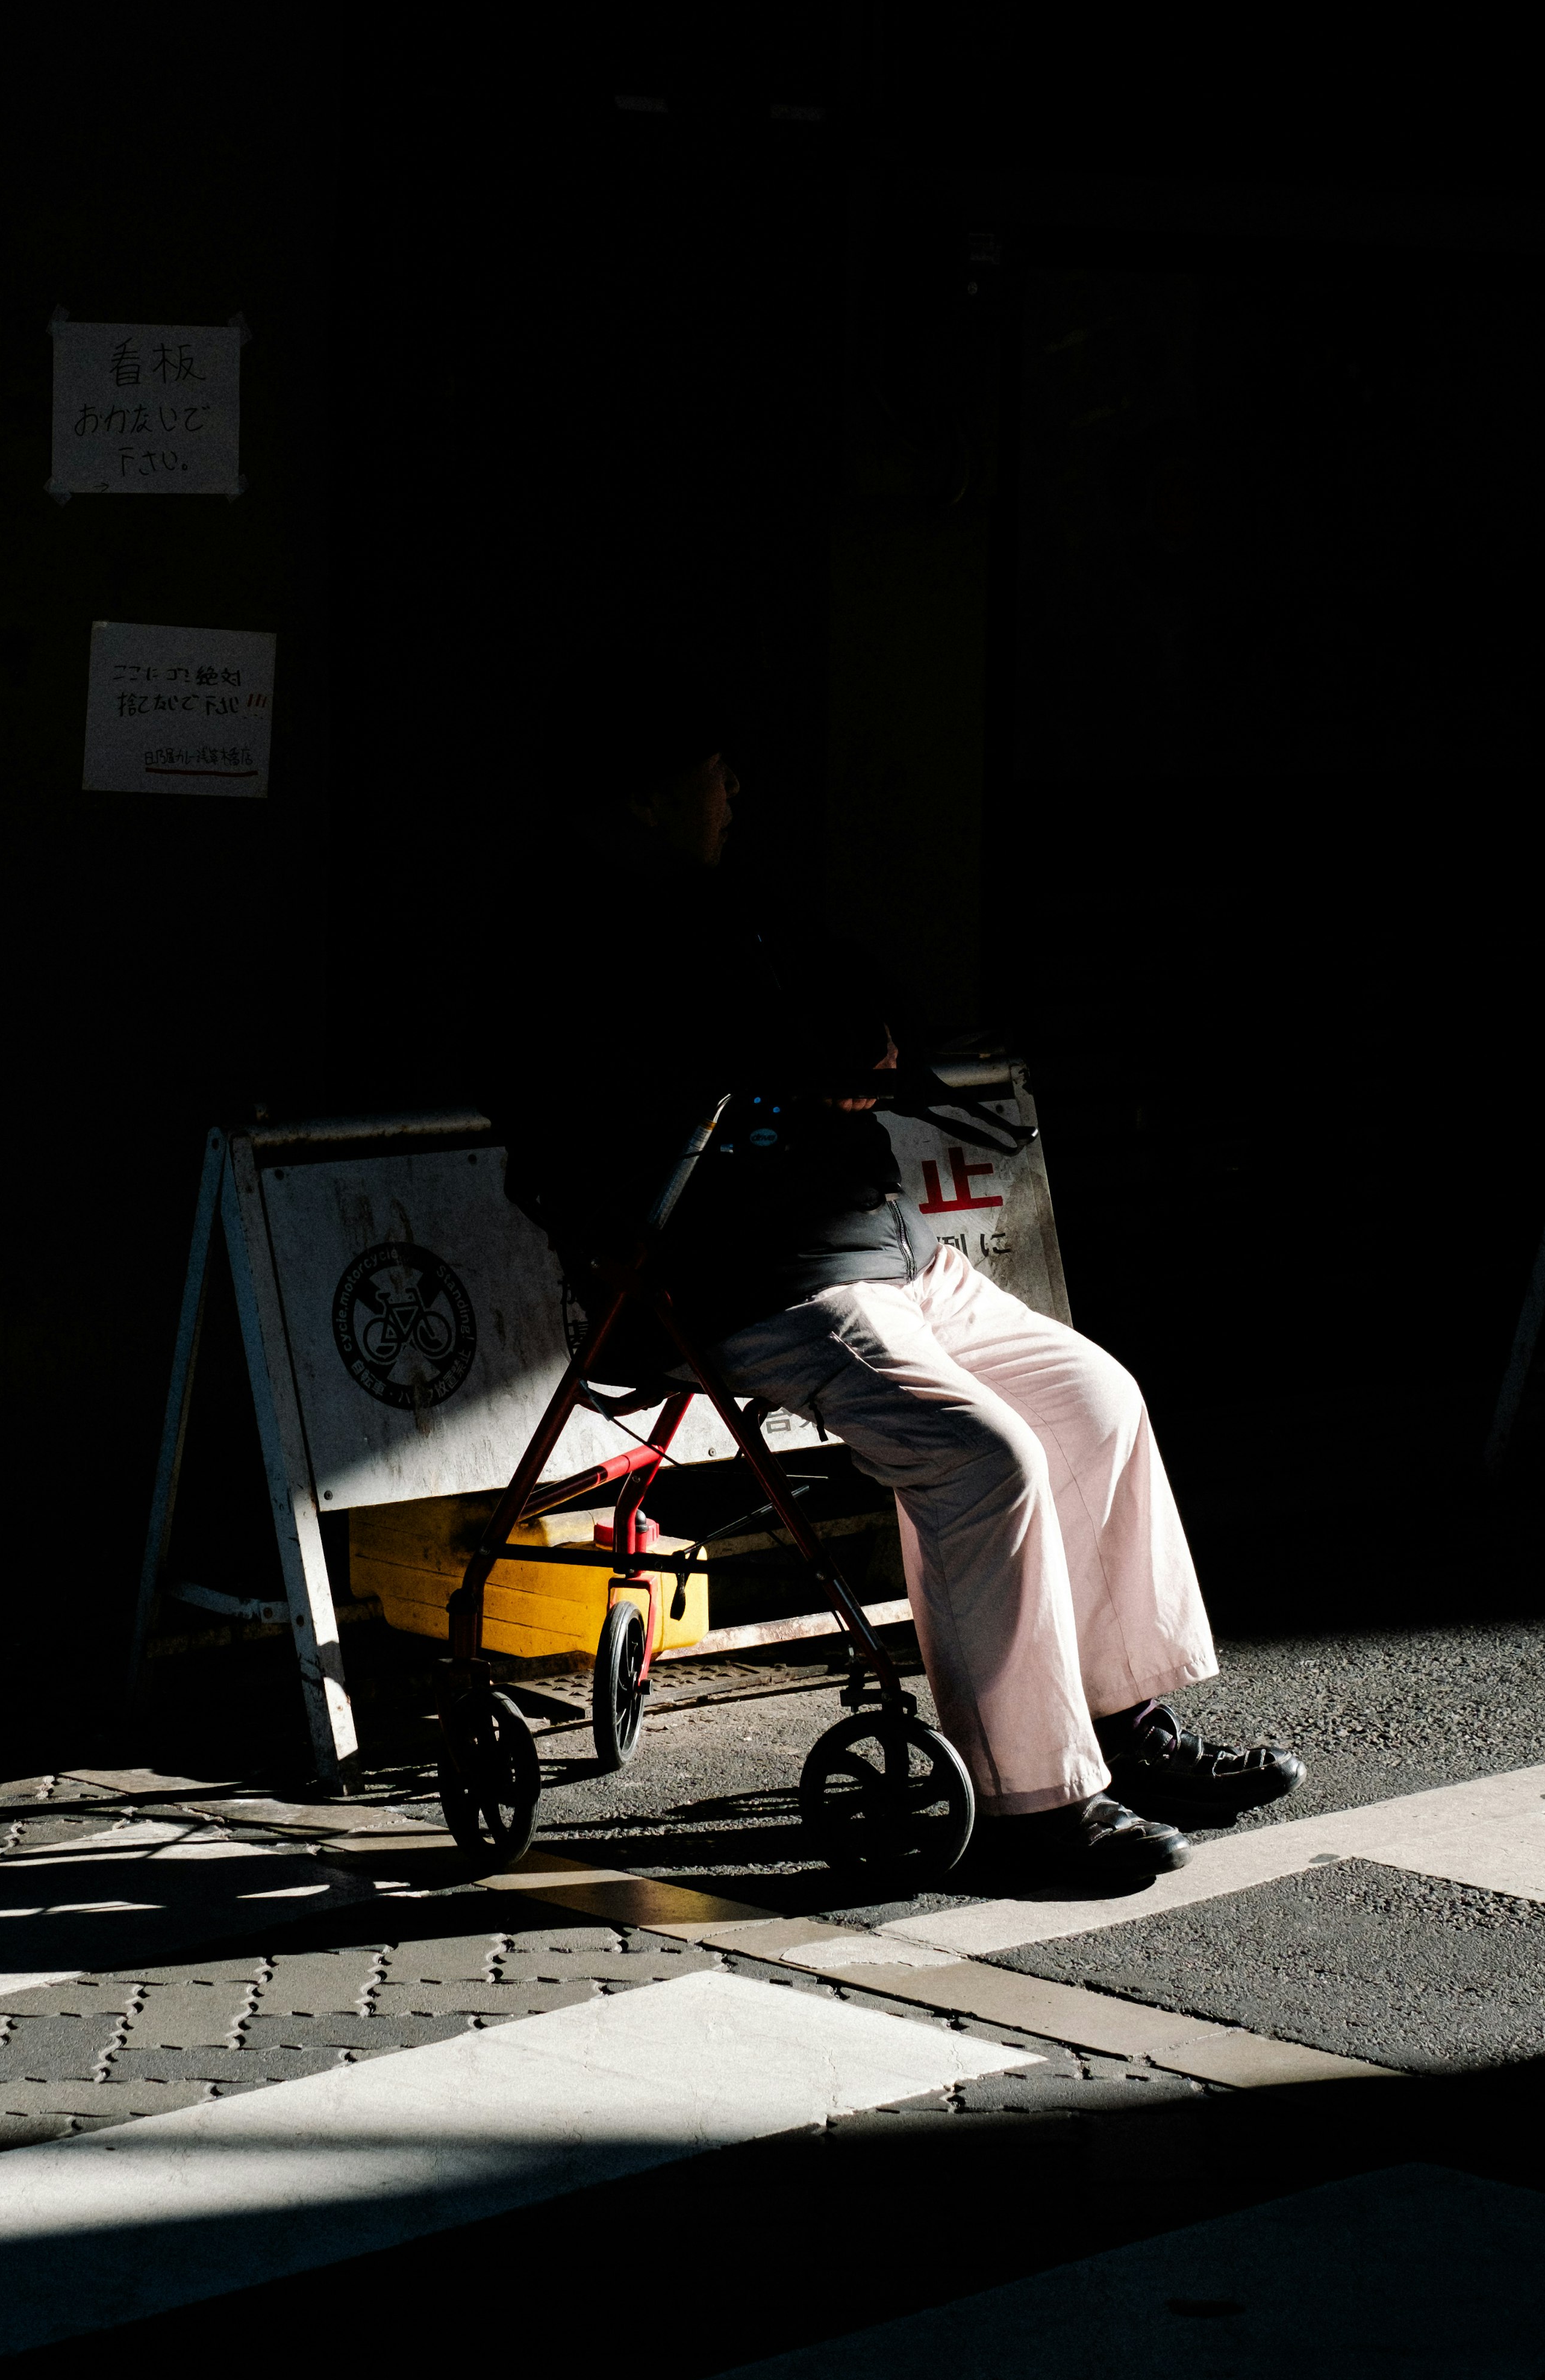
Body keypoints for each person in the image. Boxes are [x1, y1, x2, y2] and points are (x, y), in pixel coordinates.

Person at [498, 701, 1302, 1887]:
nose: (736, 795)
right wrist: (784, 1073)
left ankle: (1126, 1728)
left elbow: (848, 996)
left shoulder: (730, 901)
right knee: (983, 1456)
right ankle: (1032, 1802)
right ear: (647, 796)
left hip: (883, 1248)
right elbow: (602, 1121)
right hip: (754, 1282)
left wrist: (858, 1042)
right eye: (717, 773)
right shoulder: (566, 935)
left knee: (1097, 1401)